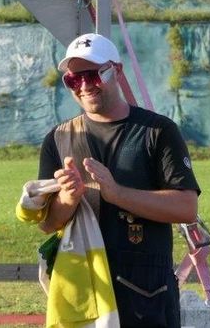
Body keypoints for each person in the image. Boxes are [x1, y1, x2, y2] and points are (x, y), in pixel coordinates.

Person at [23, 33, 200, 327]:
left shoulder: (157, 131)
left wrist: (117, 194)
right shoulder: (59, 138)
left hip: (147, 295)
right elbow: (47, 223)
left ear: (116, 70)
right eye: (73, 80)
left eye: (93, 74)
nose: (84, 85)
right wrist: (69, 198)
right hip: (86, 295)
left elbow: (186, 207)